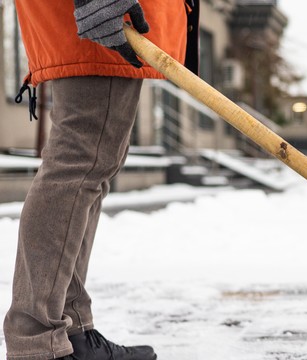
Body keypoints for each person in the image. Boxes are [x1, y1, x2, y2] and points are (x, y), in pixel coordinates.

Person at [3, 0, 199, 359]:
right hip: (103, 15)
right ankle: (37, 342)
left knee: (92, 168)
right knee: (79, 163)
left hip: (111, 18)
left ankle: (71, 330)